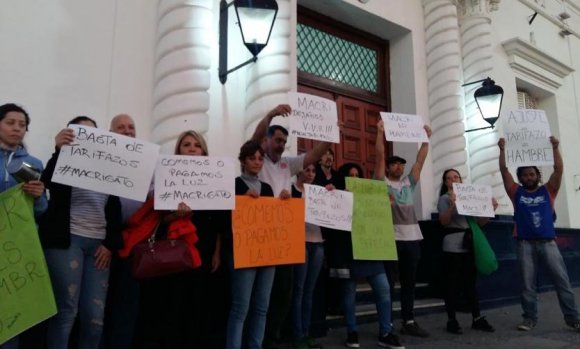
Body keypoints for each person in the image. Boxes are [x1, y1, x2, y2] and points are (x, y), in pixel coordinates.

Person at [250, 104, 334, 348]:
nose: (281, 144)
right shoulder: (258, 160)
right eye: (277, 139)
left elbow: (313, 156)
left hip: (285, 237)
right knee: (260, 295)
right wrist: (270, 114)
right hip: (261, 233)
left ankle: (273, 337)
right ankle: (257, 339)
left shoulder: (288, 164)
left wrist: (329, 136)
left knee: (283, 293)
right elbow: (255, 139)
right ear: (267, 141)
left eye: (284, 140)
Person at [40, 116, 123, 349]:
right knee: (67, 311)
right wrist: (58, 150)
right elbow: (46, 184)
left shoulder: (109, 167)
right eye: (81, 132)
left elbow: (115, 210)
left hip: (99, 245)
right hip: (67, 241)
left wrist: (110, 243)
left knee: (95, 317)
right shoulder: (64, 160)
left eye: (92, 133)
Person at [498, 137, 580, 332]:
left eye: (532, 174)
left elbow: (558, 170)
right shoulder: (515, 192)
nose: (529, 177)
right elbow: (504, 171)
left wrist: (555, 147)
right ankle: (529, 319)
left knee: (563, 282)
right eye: (525, 175)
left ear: (537, 176)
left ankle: (573, 319)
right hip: (524, 243)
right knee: (527, 285)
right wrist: (502, 150)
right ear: (521, 178)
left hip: (548, 243)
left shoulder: (548, 191)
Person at [330, 163, 404, 349]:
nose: (354, 178)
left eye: (357, 175)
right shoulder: (337, 195)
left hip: (371, 250)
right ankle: (352, 332)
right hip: (349, 252)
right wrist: (337, 197)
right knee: (349, 294)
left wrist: (385, 203)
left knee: (384, 290)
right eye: (350, 175)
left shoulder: (370, 196)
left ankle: (386, 332)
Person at [374, 119, 431, 338]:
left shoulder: (409, 183)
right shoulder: (382, 183)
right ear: (388, 167)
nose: (399, 166)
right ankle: (386, 324)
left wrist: (426, 140)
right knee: (389, 284)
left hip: (413, 239)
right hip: (391, 239)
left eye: (401, 164)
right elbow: (379, 155)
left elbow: (420, 161)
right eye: (395, 163)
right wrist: (379, 133)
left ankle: (408, 320)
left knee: (409, 283)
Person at [0, 103, 47, 349]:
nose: (17, 128)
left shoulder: (34, 163)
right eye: (10, 122)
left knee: (14, 310)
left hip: (17, 247)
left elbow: (40, 211)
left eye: (22, 125)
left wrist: (39, 196)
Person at [225, 140, 277, 349]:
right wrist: (241, 201)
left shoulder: (267, 188)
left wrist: (283, 203)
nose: (257, 162)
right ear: (243, 161)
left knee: (261, 308)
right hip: (243, 253)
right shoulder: (234, 185)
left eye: (260, 158)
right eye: (252, 158)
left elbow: (275, 220)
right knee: (240, 308)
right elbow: (224, 220)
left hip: (267, 254)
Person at [437, 169, 496, 334]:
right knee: (452, 284)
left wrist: (489, 210)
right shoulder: (444, 198)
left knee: (470, 283)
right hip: (452, 245)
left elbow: (480, 223)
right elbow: (444, 221)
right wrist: (452, 206)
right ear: (445, 182)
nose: (452, 180)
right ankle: (452, 319)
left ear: (461, 180)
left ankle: (476, 318)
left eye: (456, 177)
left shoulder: (471, 197)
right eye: (448, 178)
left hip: (469, 243)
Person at [102, 113, 143, 349]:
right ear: (110, 134)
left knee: (127, 304)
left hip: (134, 241)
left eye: (131, 127)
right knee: (100, 304)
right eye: (121, 128)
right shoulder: (101, 160)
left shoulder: (146, 162)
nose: (127, 131)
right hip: (102, 241)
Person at [291, 164, 324, 349]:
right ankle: (298, 335)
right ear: (298, 171)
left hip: (318, 243)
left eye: (313, 171)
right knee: (299, 290)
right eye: (307, 170)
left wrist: (332, 195)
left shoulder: (319, 192)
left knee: (309, 291)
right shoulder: (291, 191)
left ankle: (306, 332)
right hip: (300, 244)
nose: (311, 174)